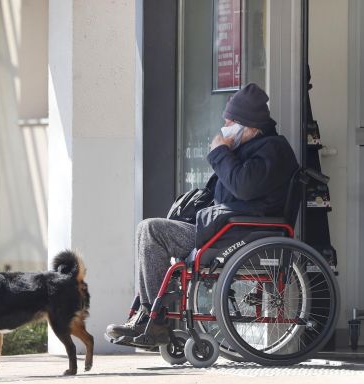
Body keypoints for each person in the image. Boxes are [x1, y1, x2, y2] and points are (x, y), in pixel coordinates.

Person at [106, 83, 299, 345]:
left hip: (238, 230)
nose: (226, 123)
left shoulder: (272, 150)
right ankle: (148, 314)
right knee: (149, 230)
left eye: (231, 119)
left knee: (152, 229)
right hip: (223, 226)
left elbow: (243, 186)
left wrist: (220, 152)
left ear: (252, 127)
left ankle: (155, 318)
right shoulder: (248, 149)